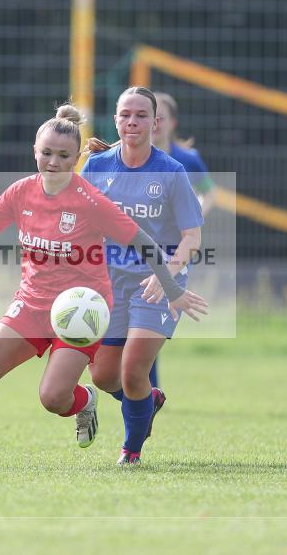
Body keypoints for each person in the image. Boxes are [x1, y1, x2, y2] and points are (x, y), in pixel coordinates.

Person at [0, 103, 207, 469]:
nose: (53, 162)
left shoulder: (91, 201)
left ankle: (84, 402)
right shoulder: (21, 192)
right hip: (32, 304)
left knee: (52, 398)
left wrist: (172, 288)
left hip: (80, 311)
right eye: (46, 153)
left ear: (75, 158)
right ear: (34, 151)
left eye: (63, 155)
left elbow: (145, 243)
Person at [80, 87, 205, 465]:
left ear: (156, 122)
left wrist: (166, 275)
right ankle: (147, 401)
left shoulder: (172, 172)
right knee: (103, 376)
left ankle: (130, 451)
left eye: (140, 115)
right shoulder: (98, 167)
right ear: (115, 120)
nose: (132, 121)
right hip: (110, 280)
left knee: (134, 370)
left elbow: (192, 239)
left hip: (159, 282)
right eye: (125, 115)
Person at [147, 91, 220, 389]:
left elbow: (209, 193)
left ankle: (147, 391)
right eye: (151, 115)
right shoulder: (128, 157)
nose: (155, 122)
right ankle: (145, 390)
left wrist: (192, 217)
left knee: (148, 317)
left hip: (172, 250)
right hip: (132, 247)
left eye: (160, 116)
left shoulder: (187, 159)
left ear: (172, 122)